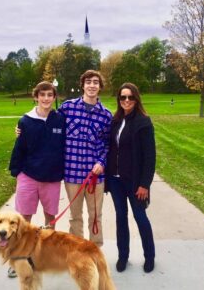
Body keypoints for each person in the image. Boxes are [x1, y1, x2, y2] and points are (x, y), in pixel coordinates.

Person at [8, 81, 65, 277]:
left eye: (50, 95)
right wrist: (16, 171)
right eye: (42, 95)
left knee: (50, 219)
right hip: (28, 176)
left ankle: (46, 256)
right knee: (24, 220)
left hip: (52, 177)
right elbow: (20, 148)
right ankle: (19, 258)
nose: (46, 98)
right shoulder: (25, 121)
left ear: (54, 97)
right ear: (36, 97)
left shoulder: (60, 119)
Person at [58, 70, 112, 247]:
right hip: (72, 173)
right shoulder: (67, 108)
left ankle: (95, 251)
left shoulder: (106, 115)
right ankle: (77, 251)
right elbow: (48, 125)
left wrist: (101, 162)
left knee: (95, 215)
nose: (92, 85)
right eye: (88, 82)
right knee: (75, 216)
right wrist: (22, 128)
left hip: (95, 176)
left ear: (100, 87)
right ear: (82, 85)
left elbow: (108, 144)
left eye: (96, 82)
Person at [105, 82, 156, 273]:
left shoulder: (143, 122)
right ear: (119, 99)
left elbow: (150, 157)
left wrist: (145, 184)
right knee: (120, 218)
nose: (126, 100)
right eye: (123, 97)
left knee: (140, 217)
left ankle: (149, 256)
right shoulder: (116, 120)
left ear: (136, 99)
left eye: (130, 97)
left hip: (135, 182)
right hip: (116, 181)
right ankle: (123, 256)